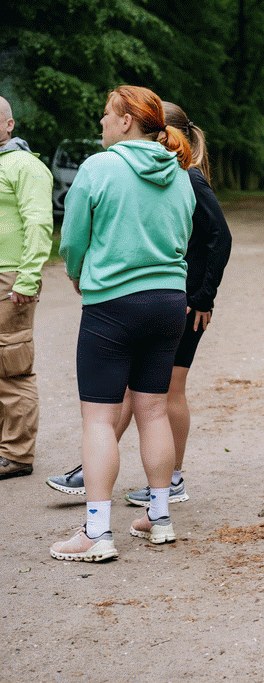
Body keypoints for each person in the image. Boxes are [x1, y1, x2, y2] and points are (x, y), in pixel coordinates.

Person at [45, 101, 232, 503]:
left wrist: (204, 297)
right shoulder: (167, 173)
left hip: (172, 302)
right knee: (144, 400)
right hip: (170, 299)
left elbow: (221, 238)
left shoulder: (181, 176)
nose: (103, 120)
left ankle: (163, 484)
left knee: (154, 398)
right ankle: (110, 478)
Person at [49, 85, 195, 562]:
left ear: (127, 120)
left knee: (99, 417)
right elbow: (185, 235)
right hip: (169, 302)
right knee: (153, 411)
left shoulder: (99, 168)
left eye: (107, 114)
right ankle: (159, 517)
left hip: (113, 304)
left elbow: (73, 238)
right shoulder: (180, 174)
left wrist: (78, 272)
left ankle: (96, 531)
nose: (102, 123)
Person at [0, 95, 54, 480]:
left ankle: (17, 454)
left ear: (9, 124)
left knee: (11, 366)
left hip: (10, 279)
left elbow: (39, 223)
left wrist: (28, 277)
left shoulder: (25, 166)